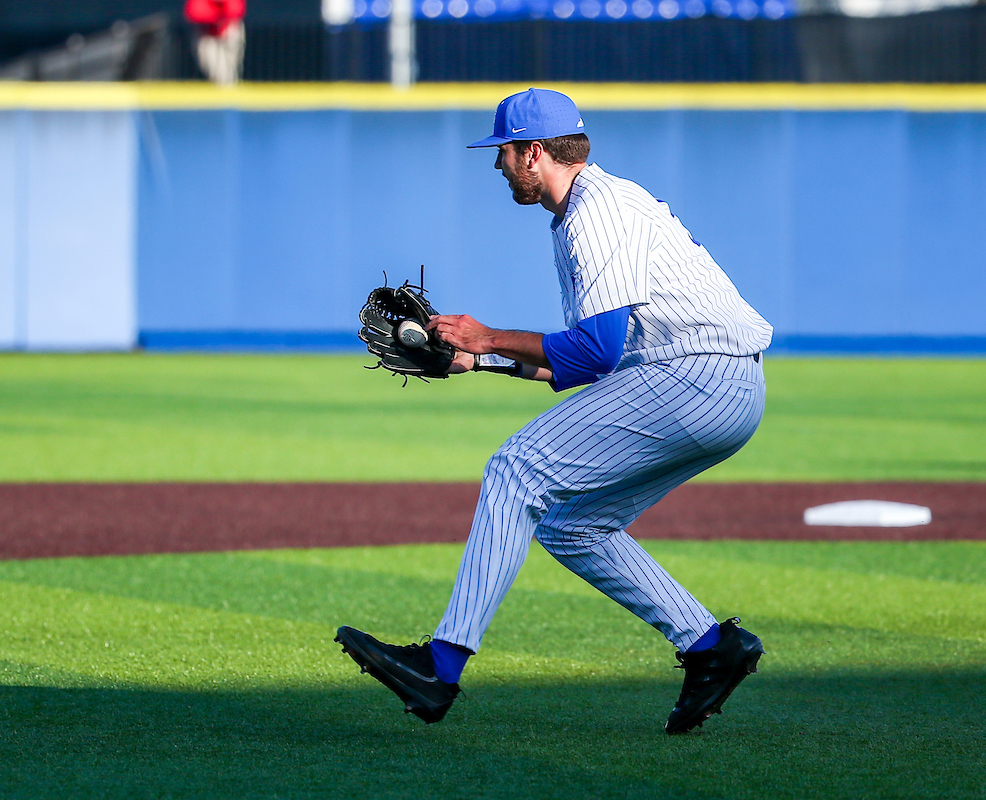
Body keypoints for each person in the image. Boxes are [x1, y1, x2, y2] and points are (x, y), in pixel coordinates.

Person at [336, 88, 773, 734]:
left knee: (515, 470)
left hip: (696, 376)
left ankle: (441, 667)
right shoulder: (591, 208)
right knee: (572, 526)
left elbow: (596, 354)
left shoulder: (595, 211)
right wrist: (476, 361)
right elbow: (571, 367)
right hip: (721, 387)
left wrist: (485, 335)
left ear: (534, 153)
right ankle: (711, 646)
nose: (498, 166)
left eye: (504, 153)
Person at [184, 0, 245, 86]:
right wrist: (215, 15)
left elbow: (235, 9)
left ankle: (228, 88)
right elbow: (194, 12)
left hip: (228, 28)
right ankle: (221, 87)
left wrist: (224, 19)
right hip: (206, 31)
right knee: (211, 65)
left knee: (230, 67)